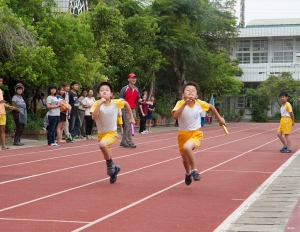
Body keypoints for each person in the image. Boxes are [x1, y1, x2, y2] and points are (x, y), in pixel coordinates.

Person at [172, 81, 225, 186]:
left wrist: (219, 119)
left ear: (196, 95)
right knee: (184, 159)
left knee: (187, 148)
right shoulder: (179, 103)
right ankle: (188, 173)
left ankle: (194, 171)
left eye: (193, 91)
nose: (191, 92)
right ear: (183, 94)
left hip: (195, 134)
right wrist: (184, 104)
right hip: (182, 134)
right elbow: (175, 116)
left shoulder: (200, 103)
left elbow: (211, 107)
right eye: (188, 90)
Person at [91, 81, 135, 183]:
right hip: (101, 134)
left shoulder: (116, 102)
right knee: (107, 152)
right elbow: (94, 117)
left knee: (102, 145)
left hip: (112, 133)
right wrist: (99, 104)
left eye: (107, 90)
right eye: (102, 91)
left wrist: (131, 117)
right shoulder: (96, 104)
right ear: (98, 94)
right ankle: (114, 170)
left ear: (111, 94)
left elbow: (126, 104)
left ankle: (110, 164)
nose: (104, 92)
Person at [118, 73, 142, 148]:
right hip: (125, 109)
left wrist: (141, 100)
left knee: (128, 126)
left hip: (133, 109)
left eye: (134, 78)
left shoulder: (136, 89)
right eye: (132, 78)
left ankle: (123, 142)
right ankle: (129, 141)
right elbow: (120, 99)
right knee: (129, 124)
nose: (133, 79)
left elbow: (138, 98)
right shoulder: (124, 89)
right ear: (128, 79)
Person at [0, 76, 15, 150]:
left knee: (2, 129)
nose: (0, 83)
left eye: (1, 81)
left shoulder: (0, 91)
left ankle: (3, 146)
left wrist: (9, 106)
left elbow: (2, 103)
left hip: (2, 112)